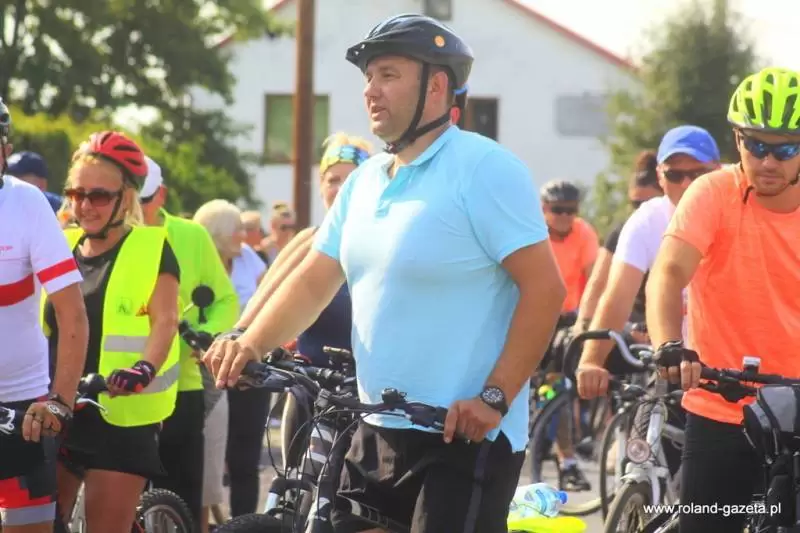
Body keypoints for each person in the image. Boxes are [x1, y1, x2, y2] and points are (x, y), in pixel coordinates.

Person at [204, 13, 566, 532]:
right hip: (374, 426)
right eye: (369, 77)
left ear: (436, 86)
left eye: (388, 75)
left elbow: (545, 289)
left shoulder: (485, 169)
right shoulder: (364, 181)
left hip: (463, 435)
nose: (371, 90)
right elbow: (313, 280)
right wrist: (250, 342)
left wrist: (495, 395)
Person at [646, 67, 800, 533]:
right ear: (737, 140)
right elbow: (668, 273)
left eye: (785, 149)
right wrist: (669, 344)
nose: (768, 161)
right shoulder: (713, 193)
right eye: (756, 146)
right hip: (721, 404)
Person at [46, 131, 181, 532]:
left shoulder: (151, 248)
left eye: (99, 196)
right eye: (76, 193)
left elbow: (165, 322)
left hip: (119, 416)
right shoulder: (59, 245)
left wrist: (144, 368)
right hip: (56, 408)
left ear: (127, 197)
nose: (85, 206)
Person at [575, 125, 721, 398]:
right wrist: (592, 360)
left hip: (728, 360)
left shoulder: (738, 208)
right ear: (660, 176)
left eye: (697, 174)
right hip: (673, 358)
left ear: (718, 171)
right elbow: (618, 295)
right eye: (675, 174)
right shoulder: (646, 220)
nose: (686, 184)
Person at [0, 99, 89, 532]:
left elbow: (72, 314)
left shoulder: (26, 203)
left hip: (23, 404)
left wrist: (59, 400)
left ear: (5, 149)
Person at [139, 156, 239, 532]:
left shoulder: (192, 236)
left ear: (160, 195)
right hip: (121, 393)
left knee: (183, 501)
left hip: (183, 387)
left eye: (143, 200)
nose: (134, 208)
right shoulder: (106, 236)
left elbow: (225, 300)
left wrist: (206, 335)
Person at [193, 199, 268, 518]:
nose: (243, 235)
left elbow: (270, 303)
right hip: (206, 370)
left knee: (245, 460)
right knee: (204, 457)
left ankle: (243, 523)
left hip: (249, 370)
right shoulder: (196, 262)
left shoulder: (250, 259)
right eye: (236, 229)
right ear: (217, 234)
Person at [574, 150, 663, 334]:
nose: (642, 210)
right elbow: (598, 284)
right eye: (636, 204)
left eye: (648, 202)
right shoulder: (624, 230)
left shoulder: (685, 230)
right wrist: (584, 325)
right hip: (631, 323)